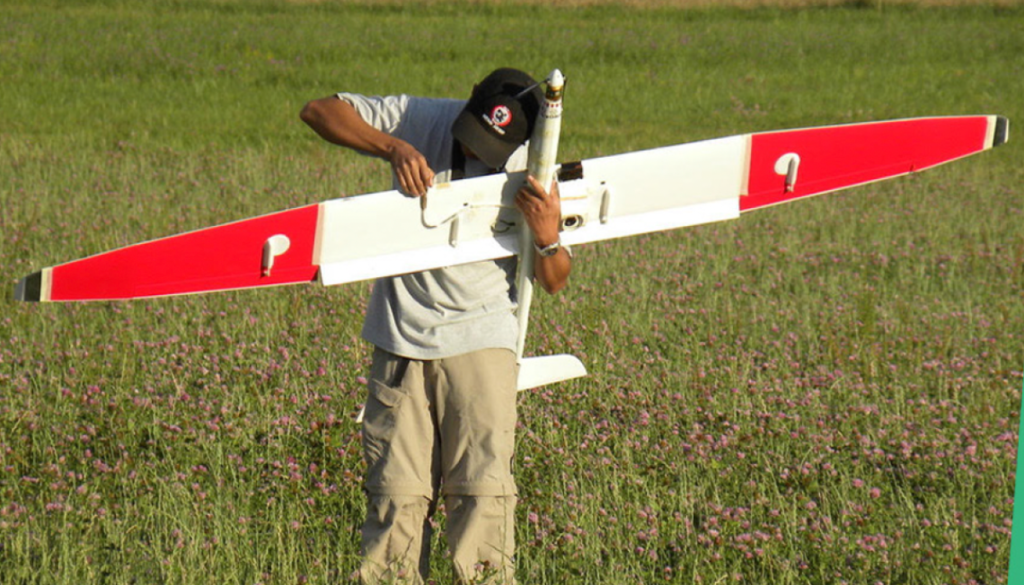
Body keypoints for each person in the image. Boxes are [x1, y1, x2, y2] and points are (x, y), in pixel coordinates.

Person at [300, 68, 571, 584]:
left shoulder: (534, 161)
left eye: (490, 148)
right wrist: (392, 148)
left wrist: (547, 236)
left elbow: (555, 279)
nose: (473, 153)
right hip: (401, 339)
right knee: (395, 504)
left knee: (482, 501)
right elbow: (318, 110)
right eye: (470, 139)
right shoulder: (419, 117)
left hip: (483, 343)